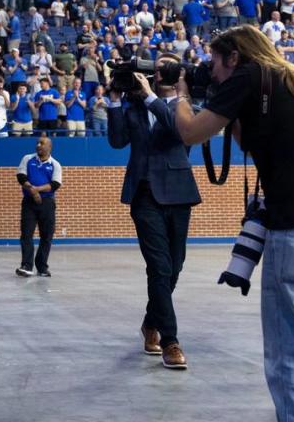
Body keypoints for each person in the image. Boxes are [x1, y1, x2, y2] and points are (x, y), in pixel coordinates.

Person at [174, 25, 294, 418]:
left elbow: (190, 133)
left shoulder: (248, 75)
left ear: (234, 56)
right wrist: (225, 101)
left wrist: (184, 95)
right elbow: (252, 140)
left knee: (292, 355)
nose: (214, 72)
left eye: (215, 64)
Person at [107, 54, 201, 371]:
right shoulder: (134, 107)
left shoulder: (186, 106)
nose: (157, 71)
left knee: (175, 266)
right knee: (159, 267)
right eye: (153, 66)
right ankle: (170, 341)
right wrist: (116, 99)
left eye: (164, 67)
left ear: (175, 74)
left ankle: (151, 322)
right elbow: (117, 141)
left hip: (178, 191)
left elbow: (178, 132)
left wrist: (149, 96)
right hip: (143, 193)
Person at [15, 137, 62, 278]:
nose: (38, 145)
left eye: (42, 143)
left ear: (49, 147)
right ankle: (26, 266)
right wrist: (32, 191)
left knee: (46, 236)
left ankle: (42, 267)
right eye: (37, 143)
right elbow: (21, 177)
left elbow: (55, 184)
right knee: (26, 235)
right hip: (29, 202)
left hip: (47, 203)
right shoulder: (27, 159)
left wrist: (37, 190)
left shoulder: (55, 164)